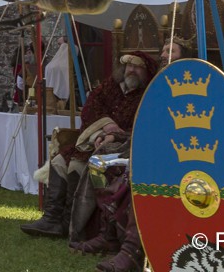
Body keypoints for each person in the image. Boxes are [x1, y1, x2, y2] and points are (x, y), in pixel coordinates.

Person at [69, 35, 194, 272]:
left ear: (183, 57)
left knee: (137, 177)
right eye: (164, 49)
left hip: (179, 155)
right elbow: (143, 124)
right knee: (99, 164)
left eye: (173, 51)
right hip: (143, 146)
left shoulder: (194, 83)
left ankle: (132, 249)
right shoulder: (157, 83)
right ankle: (108, 234)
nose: (166, 54)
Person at [21, 51, 156, 241]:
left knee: (77, 166)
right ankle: (51, 219)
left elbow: (144, 128)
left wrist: (114, 136)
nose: (132, 70)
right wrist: (103, 129)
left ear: (146, 71)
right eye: (129, 65)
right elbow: (90, 111)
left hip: (123, 149)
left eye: (137, 67)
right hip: (93, 141)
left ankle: (70, 222)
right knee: (59, 160)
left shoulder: (148, 96)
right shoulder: (109, 87)